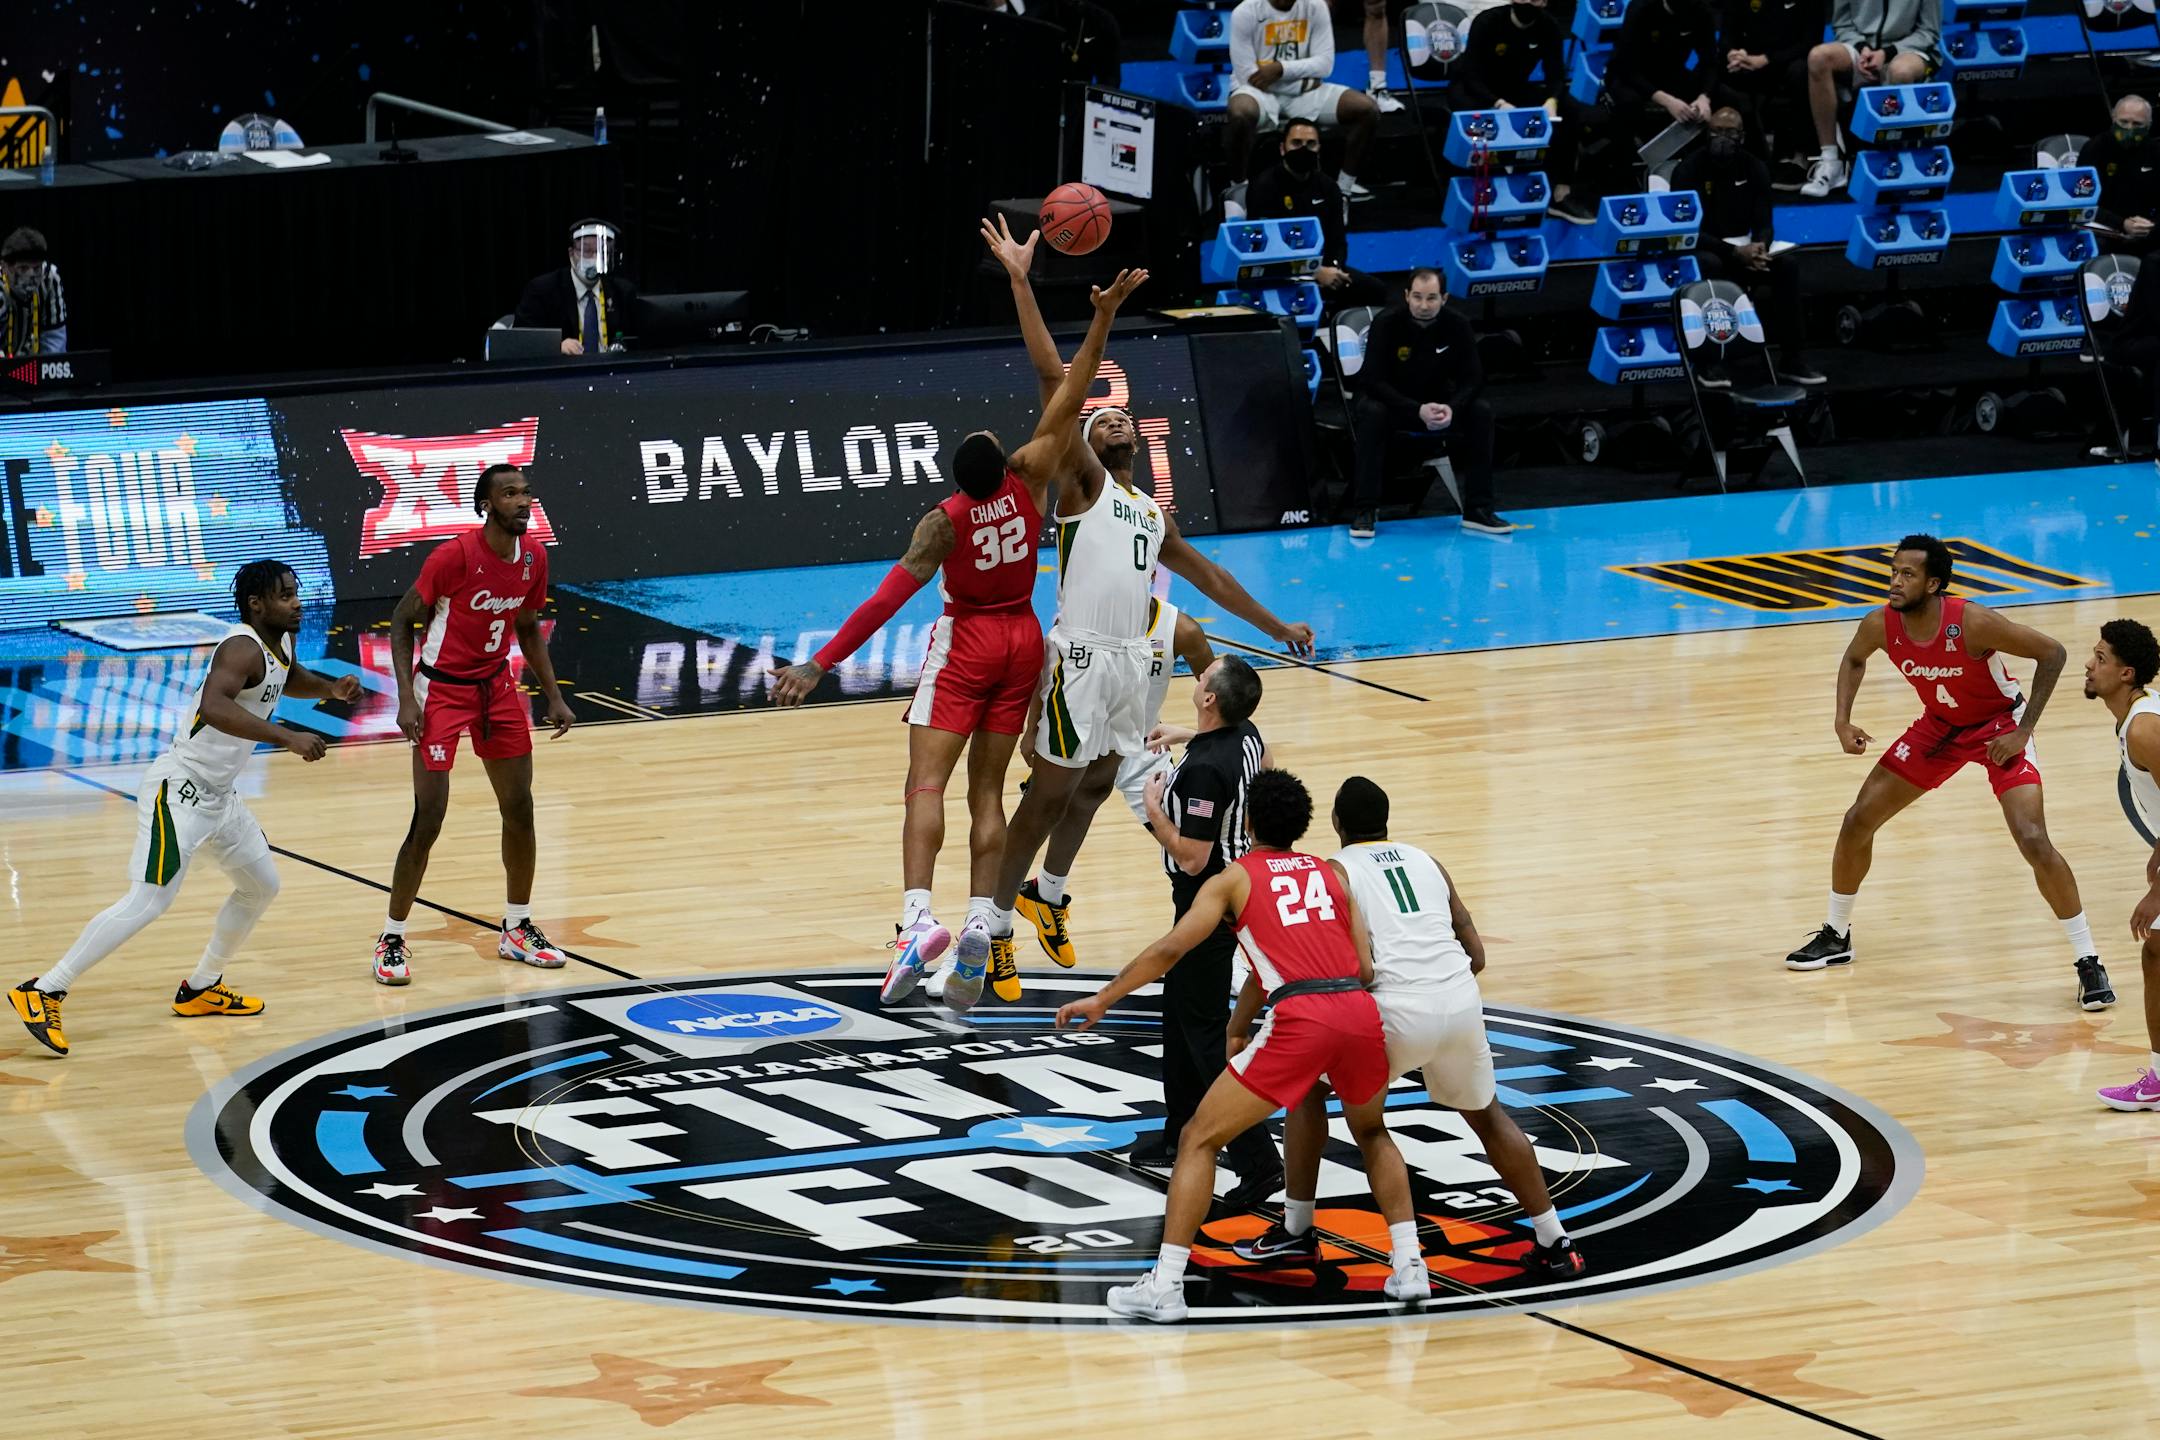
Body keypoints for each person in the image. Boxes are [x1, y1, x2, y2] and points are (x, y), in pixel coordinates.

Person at [771, 234, 1145, 1006]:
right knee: (989, 793)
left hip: (970, 640)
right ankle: (982, 917)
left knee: (925, 784)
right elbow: (1071, 387)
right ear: (997, 463)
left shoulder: (942, 522)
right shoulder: (1033, 475)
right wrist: (1096, 317)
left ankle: (916, 921)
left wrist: (821, 663)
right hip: (1024, 641)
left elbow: (886, 599)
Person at [1055, 769, 1431, 1322]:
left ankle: (1165, 1285)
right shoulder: (1334, 874)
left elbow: (1170, 950)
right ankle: (1410, 1265)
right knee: (1372, 1131)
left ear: (1248, 820)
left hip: (1303, 1018)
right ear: (1303, 824)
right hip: (1358, 1012)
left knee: (1199, 1138)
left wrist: (1106, 998)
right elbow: (1363, 965)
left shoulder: (1233, 879)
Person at [1234, 776, 1588, 1279]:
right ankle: (1555, 1239)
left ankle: (1301, 1232)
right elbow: (1477, 953)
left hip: (1393, 1010)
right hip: (1459, 1000)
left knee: (1328, 1102)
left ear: (1335, 823)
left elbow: (1353, 967)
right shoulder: (1427, 861)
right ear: (1386, 819)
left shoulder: (1335, 871)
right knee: (1489, 1118)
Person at [8, 561, 361, 1056]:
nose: (297, 603)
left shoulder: (279, 642)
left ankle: (200, 987)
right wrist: (287, 736)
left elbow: (284, 676)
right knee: (150, 900)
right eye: (285, 596)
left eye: (295, 593)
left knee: (261, 886)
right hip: (182, 790)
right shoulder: (240, 646)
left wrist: (327, 688)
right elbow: (214, 706)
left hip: (221, 796)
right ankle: (44, 989)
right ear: (256, 605)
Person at [1784, 535, 2115, 1012]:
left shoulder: (1972, 621)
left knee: (2032, 838)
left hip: (1998, 728)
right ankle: (1837, 934)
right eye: (1894, 571)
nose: (1895, 581)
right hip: (1938, 729)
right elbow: (1854, 658)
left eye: (1908, 575)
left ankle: (2088, 959)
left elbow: (2053, 653)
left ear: (1933, 583)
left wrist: (2022, 731)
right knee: (1858, 820)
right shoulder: (1880, 622)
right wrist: (1841, 720)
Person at [373, 464, 576, 987]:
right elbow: (401, 620)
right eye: (509, 494)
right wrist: (405, 698)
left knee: (521, 810)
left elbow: (527, 625)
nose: (522, 501)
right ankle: (392, 936)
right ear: (486, 505)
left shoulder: (534, 556)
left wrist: (552, 695)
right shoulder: (455, 556)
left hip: (496, 687)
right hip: (439, 692)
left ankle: (517, 926)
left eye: (527, 492)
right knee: (429, 820)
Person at [1117, 654, 1283, 1203]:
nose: (1201, 673)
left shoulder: (1208, 769)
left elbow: (1191, 856)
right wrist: (1186, 734)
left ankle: (1259, 1160)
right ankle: (1180, 1130)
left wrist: (1152, 809)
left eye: (1206, 675)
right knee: (1179, 1014)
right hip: (1232, 882)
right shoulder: (1247, 733)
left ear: (1211, 699)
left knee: (1204, 1029)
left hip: (1208, 895)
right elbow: (1228, 742)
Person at [1014, 597, 1218, 972]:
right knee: (1026, 836)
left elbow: (1220, 697)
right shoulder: (1083, 614)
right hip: (1084, 742)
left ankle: (1220, 949)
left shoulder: (1181, 629)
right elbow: (1048, 672)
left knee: (1195, 855)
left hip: (1144, 746)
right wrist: (1032, 730)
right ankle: (984, 932)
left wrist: (1193, 738)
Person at [1349, 268, 1508, 540]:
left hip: (1439, 408)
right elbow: (1373, 381)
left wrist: (1453, 408)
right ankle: (1365, 510)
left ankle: (1478, 509)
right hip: (1395, 407)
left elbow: (1474, 379)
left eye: (1432, 298)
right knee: (1372, 411)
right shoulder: (1387, 323)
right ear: (1407, 296)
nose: (1423, 305)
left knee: (1481, 410)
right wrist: (1415, 410)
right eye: (1418, 297)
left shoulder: (1457, 324)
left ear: (1444, 298)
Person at [1671, 107, 1826, 386]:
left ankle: (1793, 359)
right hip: (1706, 249)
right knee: (1711, 264)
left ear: (1741, 137)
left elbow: (1765, 223)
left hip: (1743, 251)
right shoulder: (1688, 170)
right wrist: (1733, 253)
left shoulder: (1755, 167)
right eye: (1716, 131)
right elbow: (1687, 231)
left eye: (1729, 133)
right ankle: (1709, 362)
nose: (1721, 138)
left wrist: (1760, 248)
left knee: (1787, 266)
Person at [2085, 621, 2160, 1110]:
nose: (2089, 665)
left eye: (2101, 658)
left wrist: (2158, 891)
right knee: (2156, 954)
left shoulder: (2145, 727)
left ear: (2126, 673)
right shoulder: (2133, 717)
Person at [1224, 0, 1381, 217]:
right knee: (1240, 112)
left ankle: (1342, 191)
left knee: (1367, 109)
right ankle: (1238, 191)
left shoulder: (1316, 7)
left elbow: (1325, 64)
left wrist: (1280, 68)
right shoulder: (1245, 11)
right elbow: (1248, 75)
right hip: (1259, 92)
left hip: (1303, 94)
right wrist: (1304, 80)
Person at [1452, 0, 1598, 225]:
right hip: (1473, 89)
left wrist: (1551, 101)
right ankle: (1482, 191)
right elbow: (1470, 74)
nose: (1530, 2)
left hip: (1514, 87)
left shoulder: (1549, 26)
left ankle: (1560, 194)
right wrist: (1497, 103)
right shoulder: (1487, 22)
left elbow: (1556, 75)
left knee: (1569, 108)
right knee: (1474, 113)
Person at [1799, 0, 1942, 197]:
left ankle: (1895, 161)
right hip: (1861, 49)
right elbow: (1842, 24)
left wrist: (1887, 52)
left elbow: (1928, 32)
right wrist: (1863, 49)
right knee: (1819, 57)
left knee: (1901, 71)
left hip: (1908, 50)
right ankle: (1831, 161)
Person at [1246, 120, 1388, 307]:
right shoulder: (1263, 187)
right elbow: (1266, 249)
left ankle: (1341, 333)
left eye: (1310, 144)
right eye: (1296, 143)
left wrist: (1333, 269)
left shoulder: (1328, 187)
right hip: (1277, 271)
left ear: (1319, 148)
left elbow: (1338, 240)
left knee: (1374, 290)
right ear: (1282, 149)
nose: (1303, 149)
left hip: (1323, 268)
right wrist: (1314, 272)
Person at [1597, 0, 1717, 194]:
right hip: (1630, 74)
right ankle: (1623, 177)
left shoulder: (1701, 11)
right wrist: (1667, 101)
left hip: (1671, 72)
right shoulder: (1640, 9)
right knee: (1629, 105)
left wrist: (1704, 98)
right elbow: (1627, 66)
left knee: (1722, 97)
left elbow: (1710, 61)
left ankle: (1703, 172)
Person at [1714, 0, 1825, 180]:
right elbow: (1727, 33)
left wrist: (1767, 59)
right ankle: (1741, 154)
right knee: (1716, 72)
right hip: (1747, 61)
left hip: (1787, 63)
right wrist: (1732, 54)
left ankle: (1801, 154)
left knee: (1801, 70)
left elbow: (1810, 43)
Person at [513, 218, 641, 356]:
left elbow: (637, 340)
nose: (594, 258)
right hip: (563, 372)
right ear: (571, 254)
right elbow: (520, 340)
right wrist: (556, 346)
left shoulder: (623, 292)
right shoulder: (543, 290)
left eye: (601, 252)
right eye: (586, 251)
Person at [2081, 96, 2159, 249]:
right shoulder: (2094, 149)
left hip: (2146, 228)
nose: (2129, 129)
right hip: (2106, 229)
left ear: (2148, 125)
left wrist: (2152, 226)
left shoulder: (2156, 152)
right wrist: (2122, 224)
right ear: (2113, 118)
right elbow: (2083, 203)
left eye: (2137, 124)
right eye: (2123, 122)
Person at [1, 226, 68, 358]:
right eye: (23, 268)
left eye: (37, 268)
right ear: (4, 267)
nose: (31, 276)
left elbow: (55, 347)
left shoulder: (50, 279)